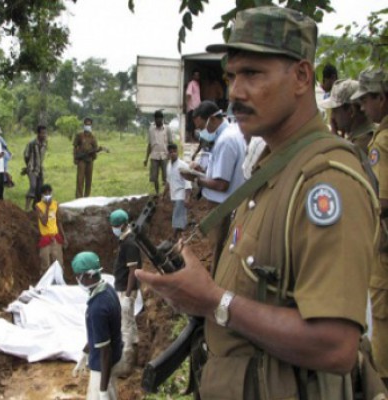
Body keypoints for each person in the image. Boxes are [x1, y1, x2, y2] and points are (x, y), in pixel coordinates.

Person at [136, 7, 381, 399]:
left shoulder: (326, 181)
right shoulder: (273, 168)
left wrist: (215, 301)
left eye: (253, 74)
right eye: (232, 76)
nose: (234, 92)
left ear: (302, 77)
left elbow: (335, 345)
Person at [351, 68, 388, 386]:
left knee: (381, 317)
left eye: (366, 100)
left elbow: (381, 199)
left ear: (381, 97)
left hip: (384, 246)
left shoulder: (381, 143)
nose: (363, 108)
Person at [71, 251, 123, 400]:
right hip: (112, 359)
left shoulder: (98, 308)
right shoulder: (108, 289)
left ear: (88, 276)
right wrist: (85, 353)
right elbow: (100, 332)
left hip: (103, 368)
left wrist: (103, 390)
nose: (77, 279)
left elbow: (105, 352)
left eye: (78, 276)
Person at [108, 209, 141, 349]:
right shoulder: (124, 240)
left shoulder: (130, 243)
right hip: (123, 287)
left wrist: (127, 295)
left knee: (125, 323)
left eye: (115, 226)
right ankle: (134, 343)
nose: (113, 229)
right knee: (129, 319)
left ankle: (127, 353)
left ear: (122, 225)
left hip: (126, 289)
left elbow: (133, 270)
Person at [320, 79, 375, 154]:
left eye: (335, 111)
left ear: (351, 111)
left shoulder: (361, 145)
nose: (332, 116)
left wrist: (335, 142)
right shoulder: (360, 137)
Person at [162, 143, 192, 238]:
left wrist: (187, 197)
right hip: (173, 194)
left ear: (177, 152)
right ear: (168, 153)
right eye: (170, 152)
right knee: (180, 214)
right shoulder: (168, 165)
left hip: (181, 194)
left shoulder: (183, 166)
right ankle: (182, 233)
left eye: (174, 151)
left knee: (177, 214)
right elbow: (168, 181)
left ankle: (175, 235)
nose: (173, 154)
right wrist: (163, 194)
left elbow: (188, 182)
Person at [35, 184, 66, 272]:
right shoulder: (38, 206)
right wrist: (48, 207)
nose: (48, 195)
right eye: (46, 193)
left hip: (56, 237)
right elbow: (44, 222)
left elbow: (58, 221)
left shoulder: (56, 204)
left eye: (49, 193)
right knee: (45, 265)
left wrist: (64, 237)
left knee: (59, 264)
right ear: (42, 195)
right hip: (45, 239)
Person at [143, 110, 172, 195]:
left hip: (164, 156)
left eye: (160, 119)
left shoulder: (167, 129)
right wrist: (146, 158)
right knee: (154, 177)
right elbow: (149, 144)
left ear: (162, 119)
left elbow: (171, 143)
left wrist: (171, 155)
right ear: (154, 120)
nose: (159, 121)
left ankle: (166, 194)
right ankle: (157, 193)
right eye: (157, 119)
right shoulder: (151, 129)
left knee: (166, 177)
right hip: (154, 156)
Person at [73, 117, 101, 198]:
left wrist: (97, 150)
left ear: (91, 125)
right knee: (80, 180)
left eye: (89, 124)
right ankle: (79, 198)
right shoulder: (79, 135)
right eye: (86, 124)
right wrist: (75, 158)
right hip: (81, 160)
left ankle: (87, 197)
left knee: (89, 180)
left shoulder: (93, 137)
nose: (88, 126)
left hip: (90, 160)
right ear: (84, 125)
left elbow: (96, 147)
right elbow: (75, 146)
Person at [24, 125, 48, 211]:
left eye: (45, 133)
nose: (44, 135)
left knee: (40, 189)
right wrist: (29, 165)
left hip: (40, 168)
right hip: (32, 168)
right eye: (42, 133)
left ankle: (35, 207)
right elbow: (26, 155)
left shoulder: (45, 143)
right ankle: (26, 207)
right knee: (33, 186)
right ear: (38, 134)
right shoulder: (32, 143)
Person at [185, 70, 202, 142]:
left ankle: (193, 138)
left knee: (195, 123)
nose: (197, 76)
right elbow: (188, 94)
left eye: (198, 75)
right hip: (192, 107)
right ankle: (190, 138)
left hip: (197, 107)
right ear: (193, 76)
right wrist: (187, 104)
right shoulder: (191, 84)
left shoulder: (197, 84)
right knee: (190, 124)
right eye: (195, 75)